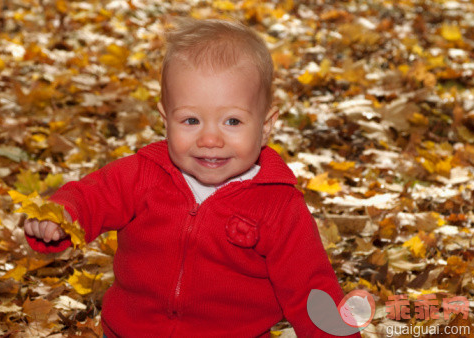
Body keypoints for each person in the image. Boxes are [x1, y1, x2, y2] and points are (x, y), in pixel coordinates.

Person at [24, 18, 357, 337]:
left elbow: (311, 289)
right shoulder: (142, 175)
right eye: (191, 121)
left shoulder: (277, 206)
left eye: (233, 122)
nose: (210, 139)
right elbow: (90, 197)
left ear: (266, 125)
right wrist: (61, 217)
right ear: (165, 120)